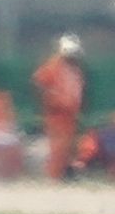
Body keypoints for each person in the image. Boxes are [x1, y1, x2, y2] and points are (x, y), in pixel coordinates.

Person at [30, 34, 87, 183]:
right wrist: (49, 100)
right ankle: (54, 177)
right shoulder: (53, 66)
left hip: (70, 114)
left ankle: (64, 174)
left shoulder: (75, 70)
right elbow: (39, 82)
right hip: (57, 114)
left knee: (69, 146)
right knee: (58, 147)